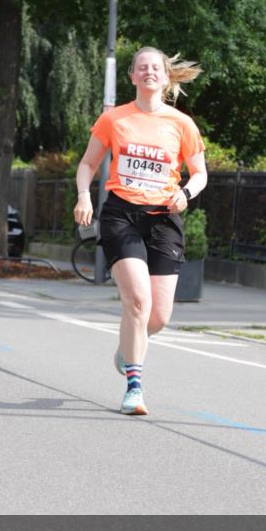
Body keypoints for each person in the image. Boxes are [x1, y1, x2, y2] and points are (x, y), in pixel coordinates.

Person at [74, 46, 207, 416]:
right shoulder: (114, 119)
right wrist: (84, 196)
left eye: (155, 68)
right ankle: (134, 385)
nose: (149, 73)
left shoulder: (182, 124)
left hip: (164, 217)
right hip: (122, 215)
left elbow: (200, 174)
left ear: (165, 77)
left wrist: (185, 193)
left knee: (158, 317)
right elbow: (87, 164)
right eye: (141, 68)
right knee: (137, 301)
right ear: (132, 76)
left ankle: (126, 349)